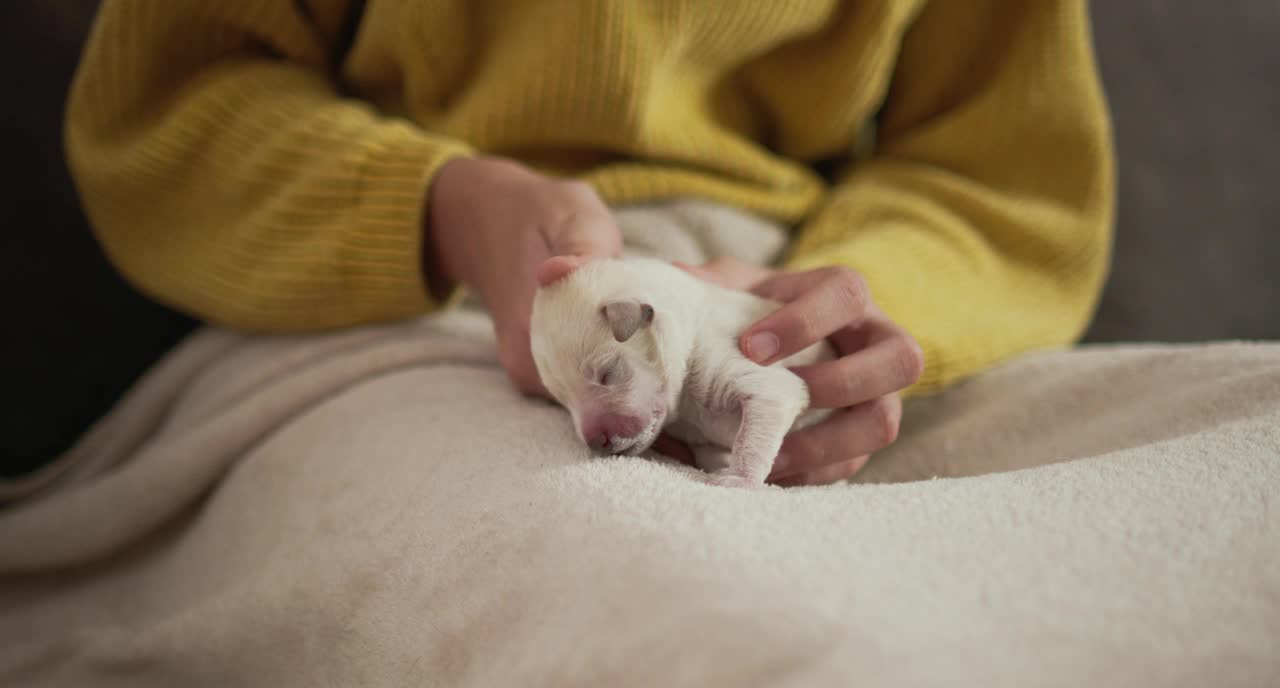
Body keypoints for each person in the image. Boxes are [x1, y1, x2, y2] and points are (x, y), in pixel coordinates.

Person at [62, 0, 1112, 486]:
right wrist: (445, 210)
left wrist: (849, 310)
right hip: (409, 298)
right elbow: (165, 108)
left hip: (794, 288)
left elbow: (1002, 174)